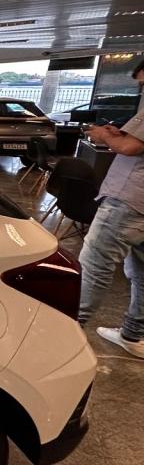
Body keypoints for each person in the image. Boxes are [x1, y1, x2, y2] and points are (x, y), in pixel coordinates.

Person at [77, 59, 144, 357]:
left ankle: (65, 332)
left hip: (130, 199)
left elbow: (131, 148)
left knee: (94, 265)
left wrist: (103, 136)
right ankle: (133, 334)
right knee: (141, 271)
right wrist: (119, 135)